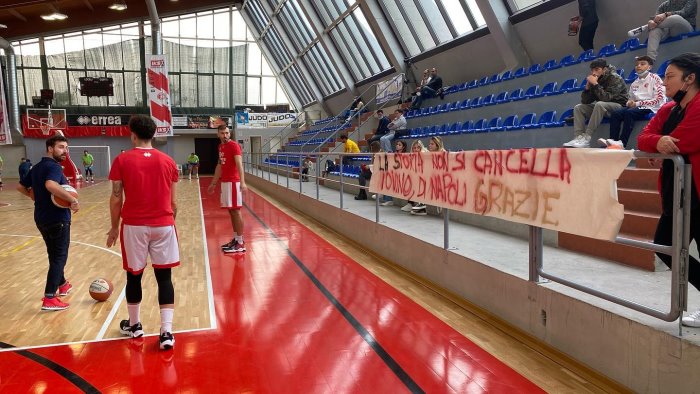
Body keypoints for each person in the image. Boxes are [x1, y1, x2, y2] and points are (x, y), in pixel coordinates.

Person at [637, 52, 700, 327]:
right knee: (666, 248)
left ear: (690, 79)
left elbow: (685, 140)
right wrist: (658, 141)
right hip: (676, 193)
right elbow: (643, 137)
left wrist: (660, 143)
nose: (664, 82)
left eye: (670, 76)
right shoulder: (667, 109)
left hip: (697, 192)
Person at [106, 115, 179, 350]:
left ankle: (135, 326)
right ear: (154, 134)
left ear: (132, 134)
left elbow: (116, 198)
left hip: (134, 226)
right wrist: (167, 222)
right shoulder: (168, 161)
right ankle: (166, 332)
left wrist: (114, 227)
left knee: (133, 275)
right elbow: (174, 203)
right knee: (164, 278)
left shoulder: (122, 160)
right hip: (164, 224)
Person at [16, 134, 80, 311]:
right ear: (50, 148)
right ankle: (50, 297)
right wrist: (72, 200)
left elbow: (20, 186)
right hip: (57, 218)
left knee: (54, 254)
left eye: (66, 148)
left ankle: (63, 284)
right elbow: (51, 185)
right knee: (59, 257)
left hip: (41, 218)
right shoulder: (54, 167)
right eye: (61, 147)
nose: (64, 151)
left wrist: (32, 195)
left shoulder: (37, 167)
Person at [600, 56, 666, 148]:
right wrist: (629, 103)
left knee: (629, 113)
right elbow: (630, 99)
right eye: (637, 64)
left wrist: (637, 104)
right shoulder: (635, 82)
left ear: (649, 67)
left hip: (652, 107)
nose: (638, 66)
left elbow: (658, 99)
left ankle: (622, 143)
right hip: (637, 106)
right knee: (615, 114)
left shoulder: (655, 78)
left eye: (642, 64)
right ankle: (613, 142)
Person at [563, 58, 629, 148]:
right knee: (579, 107)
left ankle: (587, 138)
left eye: (597, 69)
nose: (594, 72)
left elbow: (606, 98)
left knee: (600, 104)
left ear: (604, 69)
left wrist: (595, 85)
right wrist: (587, 88)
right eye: (592, 70)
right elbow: (585, 101)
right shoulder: (597, 79)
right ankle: (578, 138)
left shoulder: (615, 78)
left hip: (619, 107)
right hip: (604, 107)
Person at [208, 125, 247, 253]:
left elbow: (239, 164)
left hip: (233, 182)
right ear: (218, 135)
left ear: (229, 133)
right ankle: (236, 239)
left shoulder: (234, 146)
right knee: (231, 212)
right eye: (222, 133)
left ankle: (240, 243)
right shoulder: (221, 147)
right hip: (225, 182)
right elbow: (219, 165)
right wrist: (213, 183)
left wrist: (242, 182)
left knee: (236, 211)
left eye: (227, 133)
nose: (225, 135)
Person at [412, 137, 446, 216]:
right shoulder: (429, 154)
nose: (429, 145)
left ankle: (423, 204)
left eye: (432, 144)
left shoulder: (443, 153)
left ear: (437, 145)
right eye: (429, 144)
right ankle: (421, 204)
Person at [400, 140, 428, 212]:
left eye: (418, 148)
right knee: (409, 180)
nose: (416, 149)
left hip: (425, 178)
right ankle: (410, 204)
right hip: (417, 177)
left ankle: (420, 205)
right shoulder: (411, 156)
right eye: (414, 148)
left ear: (421, 148)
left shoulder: (425, 155)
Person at [379, 140, 409, 207]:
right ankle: (384, 196)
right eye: (397, 144)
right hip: (394, 172)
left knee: (389, 177)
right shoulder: (394, 154)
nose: (397, 146)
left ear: (403, 147)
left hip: (402, 174)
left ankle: (386, 197)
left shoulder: (405, 155)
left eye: (399, 145)